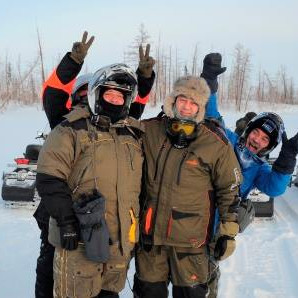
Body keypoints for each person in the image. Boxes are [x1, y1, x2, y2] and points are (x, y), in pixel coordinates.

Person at [34, 32, 155, 298]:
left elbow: (134, 106)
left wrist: (144, 79)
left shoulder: (119, 126)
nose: (80, 99)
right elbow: (52, 92)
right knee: (49, 271)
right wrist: (73, 61)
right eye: (77, 94)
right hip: (61, 214)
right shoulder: (66, 120)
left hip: (110, 227)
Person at [133, 75, 242, 298]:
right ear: (173, 99)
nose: (187, 107)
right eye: (183, 100)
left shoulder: (215, 143)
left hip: (191, 245)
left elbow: (229, 189)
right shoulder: (148, 130)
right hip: (150, 239)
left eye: (194, 103)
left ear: (200, 108)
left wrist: (228, 233)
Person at [202, 52, 298, 297]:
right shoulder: (230, 140)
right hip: (193, 217)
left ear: (268, 147)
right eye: (257, 133)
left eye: (265, 139)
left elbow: (276, 189)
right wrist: (209, 80)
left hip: (216, 230)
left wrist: (287, 157)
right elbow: (211, 115)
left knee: (204, 282)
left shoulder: (260, 169)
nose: (257, 140)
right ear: (249, 130)